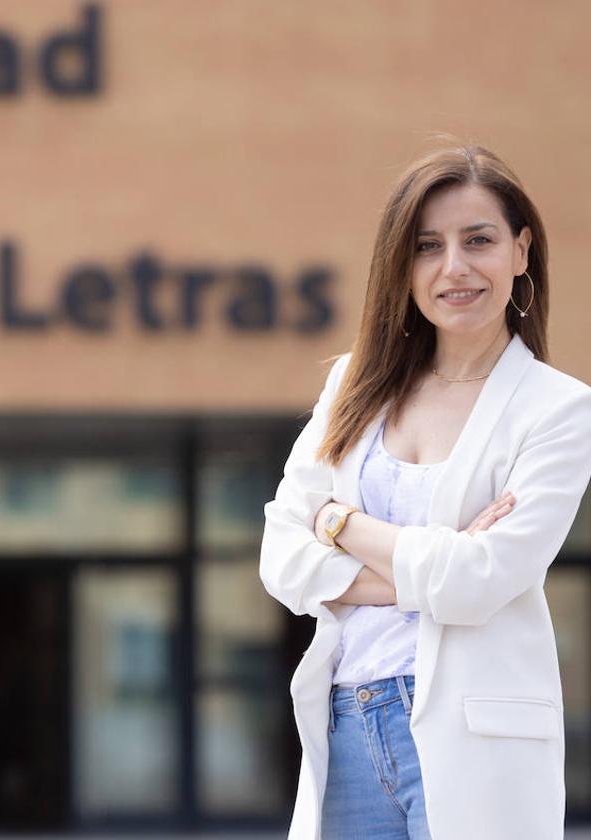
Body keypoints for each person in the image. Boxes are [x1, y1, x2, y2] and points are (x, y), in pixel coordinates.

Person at [260, 142, 591, 840]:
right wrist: (432, 565)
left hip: (476, 735)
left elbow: (481, 582)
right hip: (349, 720)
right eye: (428, 246)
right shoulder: (354, 386)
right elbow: (281, 561)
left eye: (479, 241)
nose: (455, 268)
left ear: (521, 251)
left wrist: (338, 523)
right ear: (401, 267)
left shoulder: (558, 410)